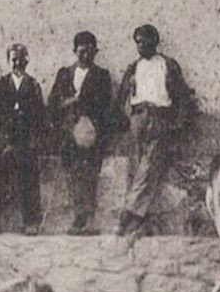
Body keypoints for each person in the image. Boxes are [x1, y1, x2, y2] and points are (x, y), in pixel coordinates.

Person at [115, 23, 197, 237]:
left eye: (145, 41)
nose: (141, 46)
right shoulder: (134, 67)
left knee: (150, 166)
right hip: (138, 118)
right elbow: (121, 95)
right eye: (138, 42)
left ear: (155, 42)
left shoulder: (168, 65)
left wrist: (177, 123)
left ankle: (128, 214)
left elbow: (182, 97)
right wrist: (128, 119)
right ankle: (139, 220)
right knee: (137, 166)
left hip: (160, 118)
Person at [47, 30, 116, 234]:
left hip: (91, 133)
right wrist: (71, 102)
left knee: (90, 174)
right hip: (69, 132)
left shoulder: (102, 75)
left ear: (95, 52)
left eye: (89, 52)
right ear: (74, 51)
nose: (85, 56)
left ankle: (89, 219)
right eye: (81, 51)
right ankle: (78, 216)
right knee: (72, 174)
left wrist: (96, 128)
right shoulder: (64, 74)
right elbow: (53, 103)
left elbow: (106, 105)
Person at [0, 43, 47, 234]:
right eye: (13, 59)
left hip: (26, 139)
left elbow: (40, 114)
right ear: (8, 61)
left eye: (21, 58)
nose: (17, 63)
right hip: (5, 138)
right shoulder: (1, 84)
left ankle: (31, 222)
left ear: (27, 60)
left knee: (28, 181)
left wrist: (35, 138)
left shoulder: (32, 84)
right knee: (0, 179)